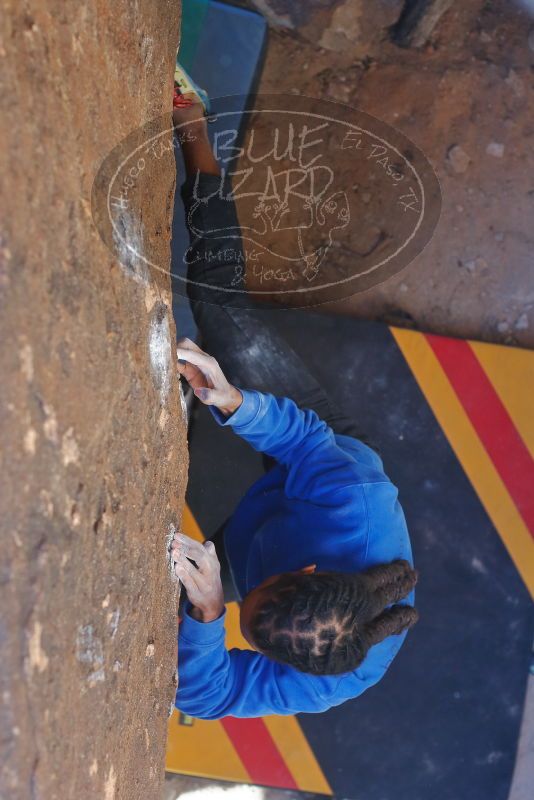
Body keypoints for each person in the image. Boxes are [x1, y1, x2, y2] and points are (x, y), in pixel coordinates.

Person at [169, 67, 418, 720]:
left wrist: (209, 611)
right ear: (304, 570)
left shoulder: (325, 682)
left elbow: (210, 696)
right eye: (252, 604)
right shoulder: (353, 501)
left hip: (266, 534)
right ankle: (193, 124)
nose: (239, 608)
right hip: (320, 450)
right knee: (220, 311)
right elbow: (305, 441)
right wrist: (233, 401)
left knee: (178, 607)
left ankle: (206, 598)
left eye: (245, 625)